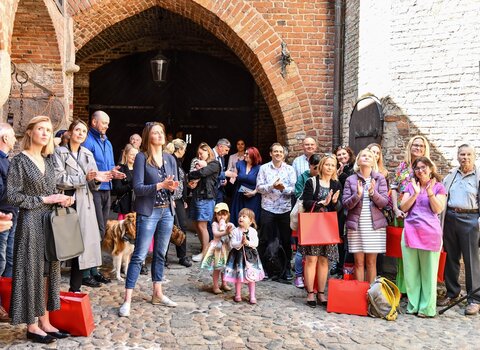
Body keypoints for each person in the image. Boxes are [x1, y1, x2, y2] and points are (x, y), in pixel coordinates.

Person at [7, 116, 74, 343]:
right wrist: (45, 198)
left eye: (48, 130)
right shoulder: (19, 161)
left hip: (49, 222)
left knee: (49, 272)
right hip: (29, 223)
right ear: (30, 132)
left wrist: (61, 199)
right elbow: (12, 196)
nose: (45, 133)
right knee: (32, 272)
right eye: (40, 129)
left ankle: (46, 321)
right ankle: (32, 325)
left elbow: (52, 191)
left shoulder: (47, 161)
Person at [118, 122, 179, 317]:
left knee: (160, 254)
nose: (160, 135)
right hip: (148, 211)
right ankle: (127, 300)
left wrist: (173, 188)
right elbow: (138, 188)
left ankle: (157, 293)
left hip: (167, 212)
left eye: (161, 132)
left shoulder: (170, 158)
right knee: (139, 255)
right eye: (155, 133)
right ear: (148, 137)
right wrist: (160, 185)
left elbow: (177, 188)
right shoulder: (141, 158)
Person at [53, 119, 112, 292]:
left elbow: (92, 184)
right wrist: (84, 179)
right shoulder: (59, 152)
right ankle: (52, 291)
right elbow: (58, 179)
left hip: (85, 205)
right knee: (62, 248)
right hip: (66, 204)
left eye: (84, 131)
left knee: (81, 248)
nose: (80, 133)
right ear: (70, 133)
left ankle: (75, 289)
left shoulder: (87, 154)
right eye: (77, 130)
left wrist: (97, 179)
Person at [400, 157, 446, 318]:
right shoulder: (411, 186)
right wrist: (416, 193)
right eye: (417, 168)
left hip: (430, 234)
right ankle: (413, 305)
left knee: (429, 273)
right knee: (411, 272)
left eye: (423, 167)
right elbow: (403, 207)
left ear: (430, 168)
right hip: (410, 232)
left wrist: (430, 193)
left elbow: (438, 209)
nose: (420, 170)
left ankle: (427, 308)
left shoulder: (439, 187)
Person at [439, 144, 480, 315]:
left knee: (471, 261)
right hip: (450, 218)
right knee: (451, 258)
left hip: (471, 219)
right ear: (457, 156)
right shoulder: (451, 176)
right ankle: (452, 293)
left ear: (474, 156)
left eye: (469, 154)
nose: (465, 157)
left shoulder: (477, 177)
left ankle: (474, 299)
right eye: (462, 154)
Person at [390, 135, 430, 294]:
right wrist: (395, 208)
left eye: (421, 145)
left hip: (421, 216)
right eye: (415, 145)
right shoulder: (403, 166)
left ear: (425, 148)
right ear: (410, 146)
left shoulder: (428, 167)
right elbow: (394, 188)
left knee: (419, 253)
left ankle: (417, 288)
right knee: (403, 253)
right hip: (402, 213)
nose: (418, 148)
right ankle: (403, 287)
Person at [300, 154, 342, 307]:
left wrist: (335, 202)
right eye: (327, 164)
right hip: (314, 223)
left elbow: (338, 208)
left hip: (328, 225)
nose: (330, 167)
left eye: (333, 165)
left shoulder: (336, 184)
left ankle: (321, 293)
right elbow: (306, 201)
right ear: (321, 166)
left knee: (324, 260)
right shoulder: (312, 181)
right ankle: (310, 292)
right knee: (311, 259)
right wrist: (320, 203)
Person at [342, 148, 389, 283]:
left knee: (371, 263)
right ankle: (360, 295)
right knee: (358, 262)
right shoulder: (350, 179)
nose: (366, 157)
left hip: (374, 226)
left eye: (369, 156)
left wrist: (373, 193)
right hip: (357, 225)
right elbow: (346, 204)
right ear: (358, 160)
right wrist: (357, 195)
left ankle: (370, 295)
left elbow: (384, 202)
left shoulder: (379, 178)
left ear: (373, 160)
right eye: (363, 155)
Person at [83, 110, 126, 246]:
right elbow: (84, 168)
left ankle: (95, 259)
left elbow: (110, 165)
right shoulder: (87, 141)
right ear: (94, 122)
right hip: (93, 189)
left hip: (107, 189)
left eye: (108, 124)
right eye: (104, 123)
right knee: (97, 227)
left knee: (102, 227)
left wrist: (114, 172)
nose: (107, 126)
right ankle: (91, 262)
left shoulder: (108, 143)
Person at [256, 142, 296, 281]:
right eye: (276, 151)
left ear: (284, 154)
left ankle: (286, 270)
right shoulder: (264, 168)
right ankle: (263, 268)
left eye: (280, 151)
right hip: (268, 207)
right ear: (270, 153)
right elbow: (259, 188)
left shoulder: (290, 169)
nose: (278, 154)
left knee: (286, 240)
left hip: (284, 209)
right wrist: (272, 185)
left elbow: (293, 190)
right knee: (265, 239)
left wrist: (282, 188)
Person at [188, 142, 221, 262]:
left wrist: (191, 174)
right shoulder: (201, 164)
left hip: (206, 197)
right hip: (196, 195)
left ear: (208, 152)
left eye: (201, 153)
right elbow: (194, 177)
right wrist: (191, 182)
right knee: (197, 224)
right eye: (198, 154)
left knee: (202, 226)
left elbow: (202, 173)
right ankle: (204, 248)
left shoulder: (214, 164)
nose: (199, 156)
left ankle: (205, 253)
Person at [292, 153, 321, 289]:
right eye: (315, 167)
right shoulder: (304, 177)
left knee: (316, 250)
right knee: (301, 247)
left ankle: (313, 276)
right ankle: (298, 275)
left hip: (319, 218)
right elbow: (298, 194)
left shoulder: (324, 178)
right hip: (305, 215)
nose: (317, 170)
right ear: (310, 165)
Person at [224, 208, 264, 304]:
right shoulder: (235, 231)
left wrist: (247, 242)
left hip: (251, 257)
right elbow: (232, 244)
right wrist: (241, 243)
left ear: (250, 221)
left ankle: (252, 295)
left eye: (244, 216)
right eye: (240, 216)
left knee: (251, 276)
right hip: (238, 256)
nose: (241, 218)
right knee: (239, 275)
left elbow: (256, 243)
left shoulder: (253, 231)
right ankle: (238, 294)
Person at [165, 139, 192, 267]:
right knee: (167, 227)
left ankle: (182, 256)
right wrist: (172, 198)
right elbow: (168, 179)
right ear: (180, 149)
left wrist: (183, 199)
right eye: (184, 149)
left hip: (179, 199)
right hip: (171, 199)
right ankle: (163, 256)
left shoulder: (178, 161)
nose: (185, 152)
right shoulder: (170, 160)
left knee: (182, 227)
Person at [201, 202, 234, 293]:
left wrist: (231, 231)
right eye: (219, 214)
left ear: (228, 215)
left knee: (225, 267)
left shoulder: (229, 224)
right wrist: (225, 232)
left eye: (224, 214)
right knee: (217, 268)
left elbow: (232, 234)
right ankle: (215, 286)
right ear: (215, 215)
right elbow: (216, 234)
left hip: (226, 249)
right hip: (217, 249)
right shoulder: (215, 224)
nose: (222, 217)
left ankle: (224, 283)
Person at [333, 144, 356, 275]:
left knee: (349, 238)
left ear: (349, 154)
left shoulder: (354, 168)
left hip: (350, 206)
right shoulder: (334, 169)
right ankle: (340, 264)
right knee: (340, 238)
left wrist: (341, 175)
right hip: (339, 207)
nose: (342, 157)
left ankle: (348, 265)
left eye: (344, 154)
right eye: (339, 155)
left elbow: (350, 184)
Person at [0, 124, 18, 285]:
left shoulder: (7, 160)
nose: (15, 139)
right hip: (3, 217)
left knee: (10, 259)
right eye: (13, 136)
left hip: (12, 214)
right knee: (1, 261)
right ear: (5, 138)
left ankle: (6, 301)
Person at [230, 146, 262, 226]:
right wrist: (230, 179)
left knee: (250, 219)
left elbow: (261, 183)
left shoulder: (259, 168)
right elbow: (233, 177)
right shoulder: (239, 164)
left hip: (253, 197)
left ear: (253, 155)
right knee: (238, 217)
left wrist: (253, 193)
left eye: (247, 154)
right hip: (239, 196)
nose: (245, 155)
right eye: (245, 153)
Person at [112, 144, 138, 220]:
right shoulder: (120, 169)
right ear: (126, 154)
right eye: (131, 154)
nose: (134, 157)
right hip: (124, 207)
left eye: (136, 155)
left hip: (137, 207)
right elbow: (117, 189)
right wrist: (131, 184)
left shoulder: (139, 169)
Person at [212, 138, 234, 203]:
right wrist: (225, 174)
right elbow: (209, 173)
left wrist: (224, 180)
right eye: (226, 150)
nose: (227, 153)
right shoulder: (209, 154)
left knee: (219, 212)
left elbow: (221, 172)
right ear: (220, 147)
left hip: (220, 191)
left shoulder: (222, 157)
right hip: (210, 191)